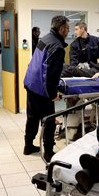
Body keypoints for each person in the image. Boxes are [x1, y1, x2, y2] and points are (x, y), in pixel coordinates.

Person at [23, 15, 70, 162]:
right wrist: (52, 94)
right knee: (49, 121)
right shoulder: (57, 47)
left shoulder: (45, 38)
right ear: (61, 28)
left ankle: (28, 146)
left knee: (32, 117)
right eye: (68, 28)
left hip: (31, 83)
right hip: (42, 89)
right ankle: (49, 152)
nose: (68, 31)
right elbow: (51, 73)